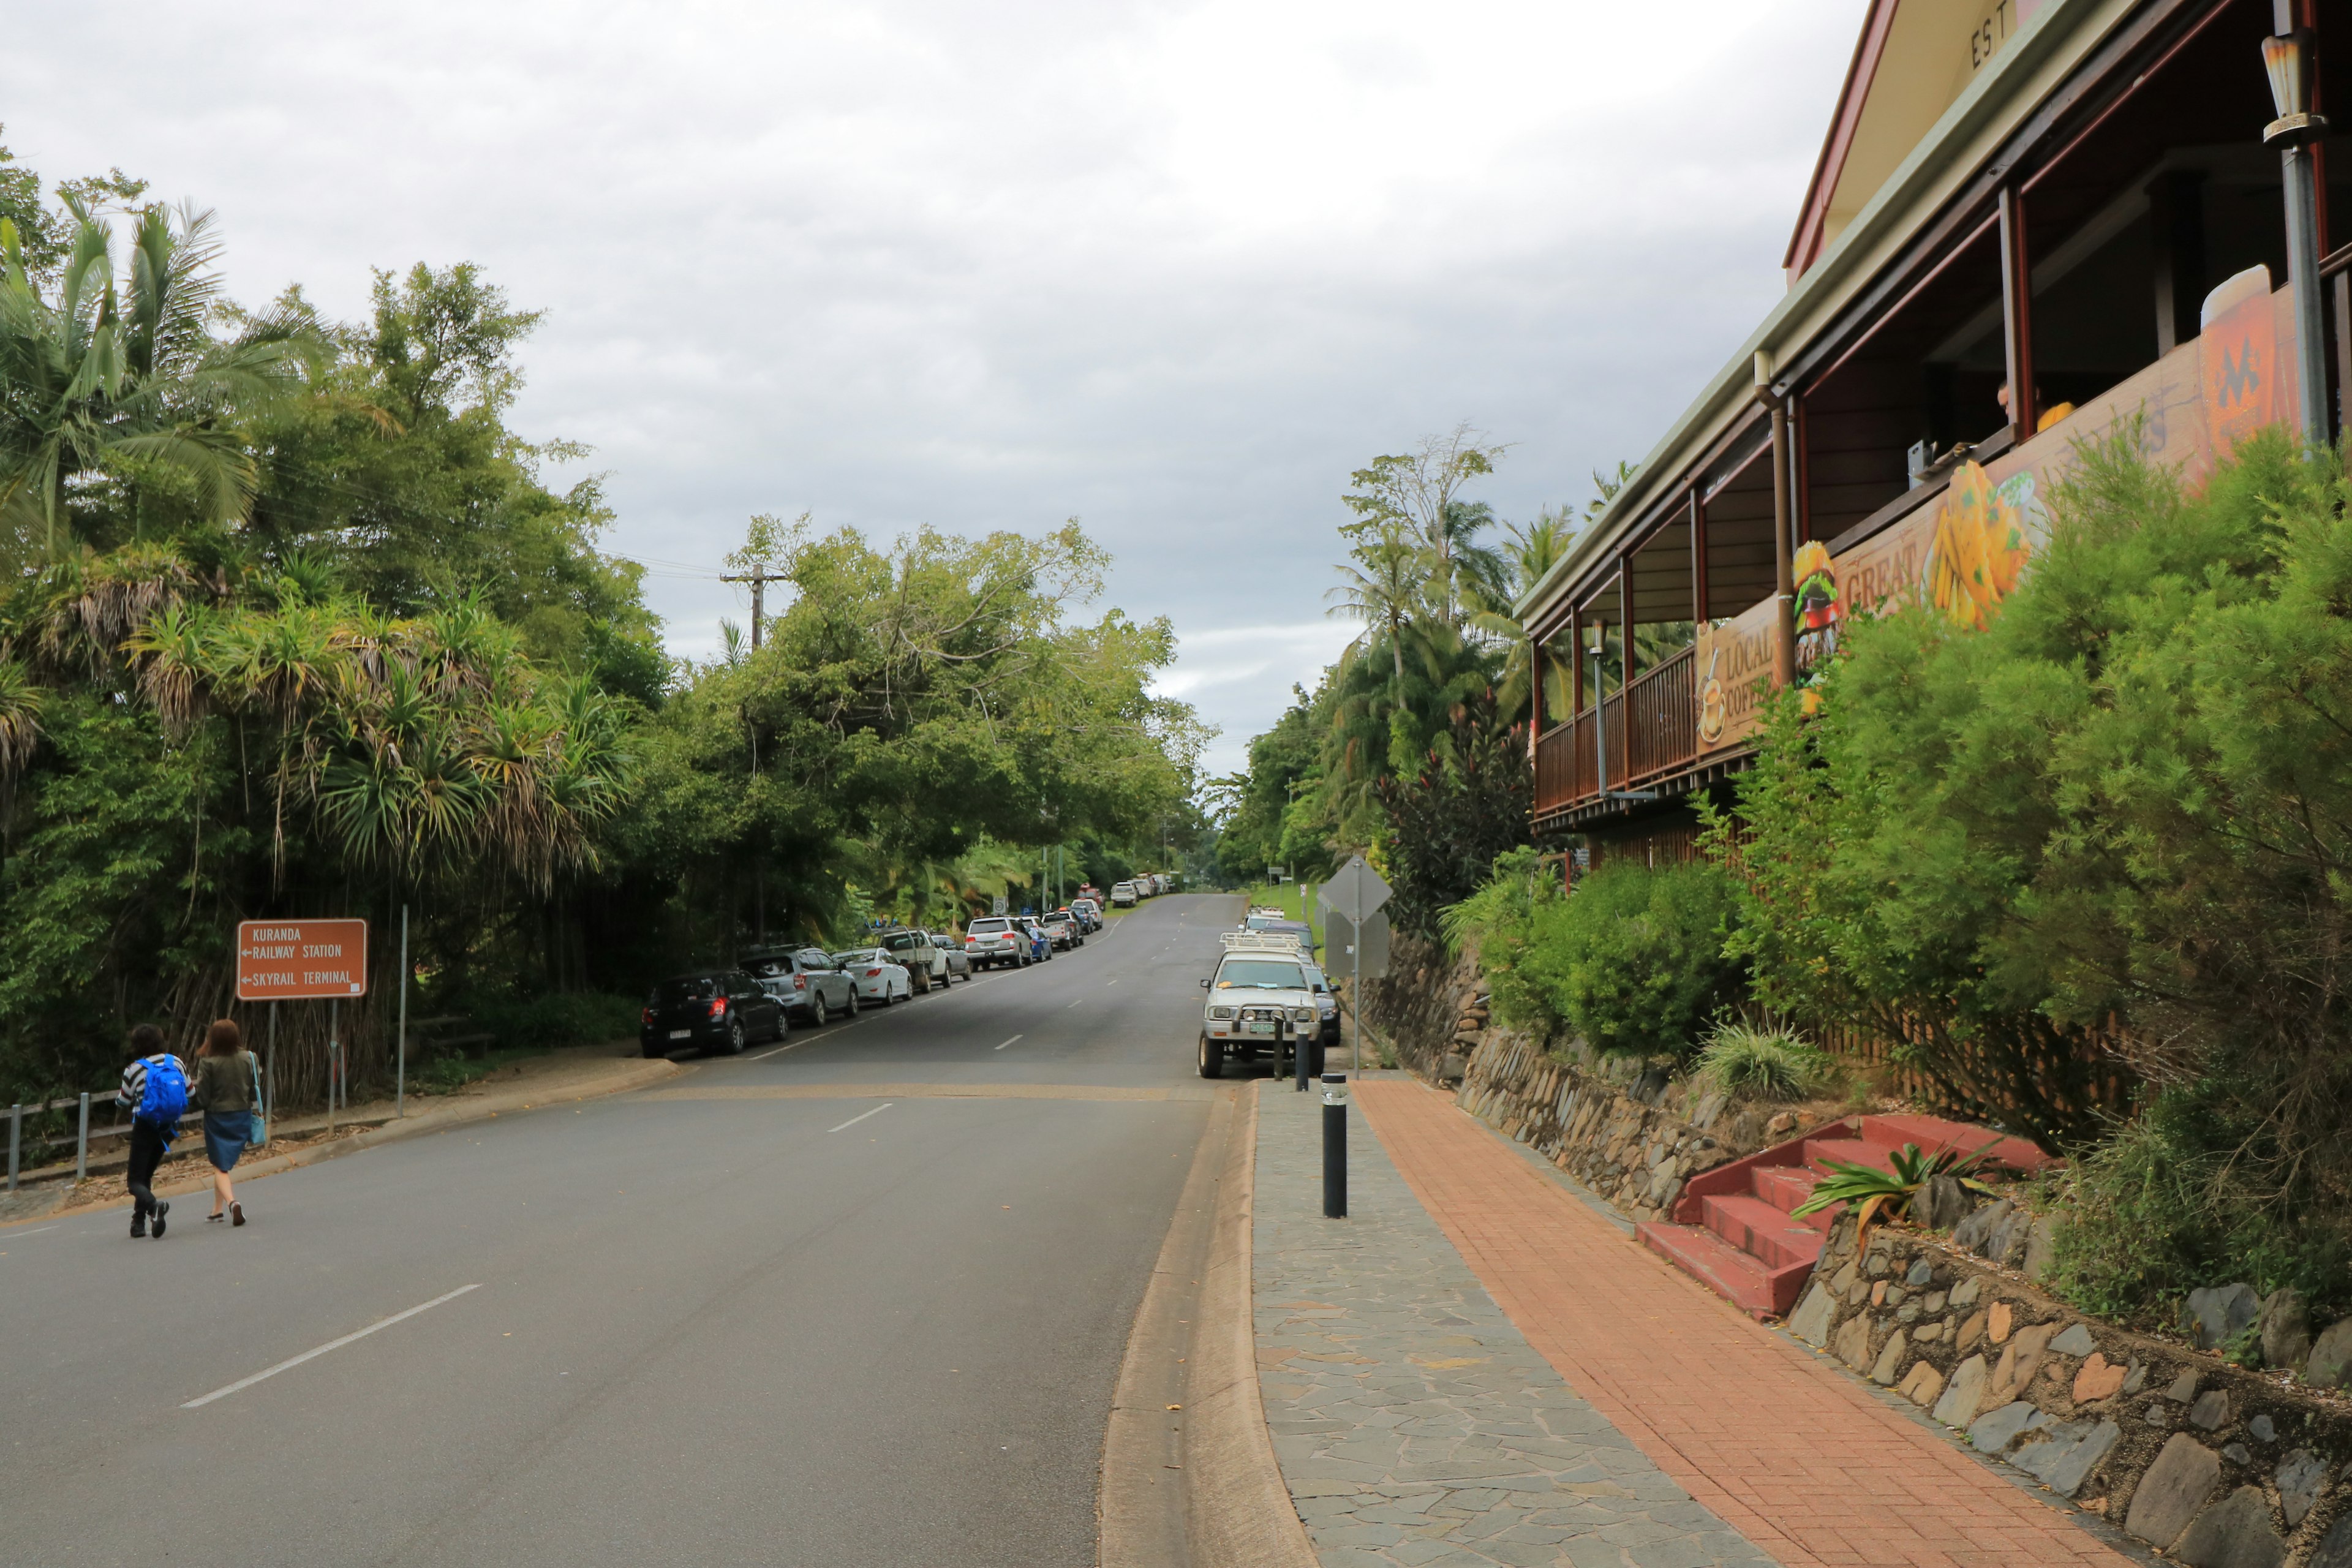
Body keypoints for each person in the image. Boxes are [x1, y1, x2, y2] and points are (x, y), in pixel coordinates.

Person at [115, 1024, 187, 1240]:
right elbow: (190, 1090)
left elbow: (123, 1101)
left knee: (134, 1181)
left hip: (145, 1126)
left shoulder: (133, 1069)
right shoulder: (176, 1062)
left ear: (137, 1045)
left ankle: (154, 1206)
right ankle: (138, 1225)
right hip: (169, 1127)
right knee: (145, 1175)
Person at [189, 1018, 258, 1226]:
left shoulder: (208, 1062)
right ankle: (216, 1210)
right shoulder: (250, 1057)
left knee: (220, 1165)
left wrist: (189, 1105)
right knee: (221, 1164)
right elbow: (254, 1088)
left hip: (218, 1117)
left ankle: (232, 1203)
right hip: (242, 1114)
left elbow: (203, 1096)